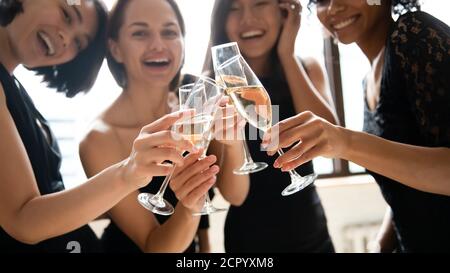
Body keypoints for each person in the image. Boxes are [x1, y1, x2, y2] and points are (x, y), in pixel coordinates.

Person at [0, 0, 199, 252]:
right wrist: (128, 172)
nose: (64, 38)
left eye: (79, 43)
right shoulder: (98, 137)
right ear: (116, 50)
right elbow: (22, 220)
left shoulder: (14, 89)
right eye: (67, 14)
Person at [264, 0, 450, 252]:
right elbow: (403, 189)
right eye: (320, 0)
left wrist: (345, 141)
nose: (333, 8)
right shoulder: (369, 80)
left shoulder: (414, 33)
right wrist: (380, 244)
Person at [79, 0, 220, 253]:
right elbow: (154, 246)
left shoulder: (194, 100)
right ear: (116, 49)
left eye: (169, 32)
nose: (158, 45)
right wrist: (189, 208)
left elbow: (223, 193)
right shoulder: (99, 140)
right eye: (140, 33)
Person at [204, 0, 338, 252]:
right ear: (221, 19)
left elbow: (333, 145)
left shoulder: (306, 68)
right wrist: (231, 142)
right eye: (234, 8)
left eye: (260, 3)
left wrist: (287, 55)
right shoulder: (215, 90)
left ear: (283, 11)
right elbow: (234, 196)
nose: (247, 18)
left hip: (311, 233)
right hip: (249, 242)